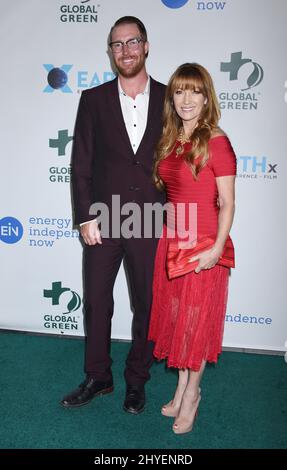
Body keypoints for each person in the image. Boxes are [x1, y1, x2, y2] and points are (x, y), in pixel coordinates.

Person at [60, 16, 166, 414]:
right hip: (103, 219)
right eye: (117, 44)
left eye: (132, 41)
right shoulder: (94, 99)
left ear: (146, 45)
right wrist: (85, 217)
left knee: (148, 304)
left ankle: (136, 381)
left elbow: (179, 161)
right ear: (111, 52)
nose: (126, 50)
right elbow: (81, 163)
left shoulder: (172, 97)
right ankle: (98, 376)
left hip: (152, 220)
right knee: (97, 302)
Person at [148, 63, 236, 434]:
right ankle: (182, 384)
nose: (186, 99)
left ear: (206, 97)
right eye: (180, 91)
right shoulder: (171, 140)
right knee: (178, 320)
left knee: (196, 326)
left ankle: (193, 394)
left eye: (195, 92)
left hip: (202, 247)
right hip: (171, 241)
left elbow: (227, 203)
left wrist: (216, 249)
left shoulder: (216, 141)